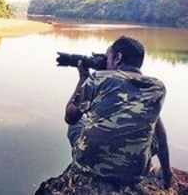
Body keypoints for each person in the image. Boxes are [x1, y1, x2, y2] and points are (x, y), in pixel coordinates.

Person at [64, 36, 173, 189]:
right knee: (153, 129)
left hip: (90, 167)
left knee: (78, 124)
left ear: (118, 57)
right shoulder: (157, 88)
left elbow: (70, 117)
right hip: (134, 174)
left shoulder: (98, 78)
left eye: (107, 58)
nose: (105, 62)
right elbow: (161, 137)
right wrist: (167, 174)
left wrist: (83, 79)